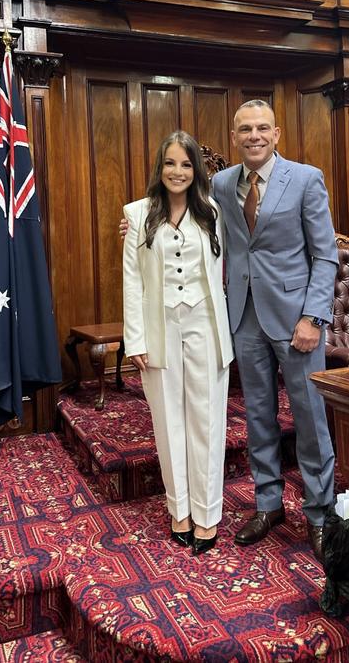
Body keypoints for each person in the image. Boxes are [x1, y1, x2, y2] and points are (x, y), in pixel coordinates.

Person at [210, 99, 337, 560]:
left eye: (262, 128)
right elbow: (192, 220)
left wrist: (313, 318)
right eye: (245, 129)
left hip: (297, 321)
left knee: (309, 420)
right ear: (234, 136)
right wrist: (139, 223)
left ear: (277, 133)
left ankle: (320, 514)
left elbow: (325, 255)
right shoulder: (222, 184)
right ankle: (268, 504)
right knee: (258, 416)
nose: (254, 136)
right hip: (243, 316)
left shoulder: (305, 178)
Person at [122, 130, 234, 555]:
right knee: (168, 424)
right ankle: (180, 511)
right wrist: (136, 339)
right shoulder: (136, 215)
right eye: (170, 163)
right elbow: (132, 282)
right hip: (159, 328)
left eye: (186, 164)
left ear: (196, 171)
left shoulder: (213, 213)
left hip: (206, 323)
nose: (178, 171)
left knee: (207, 421)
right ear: (159, 167)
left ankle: (208, 515)